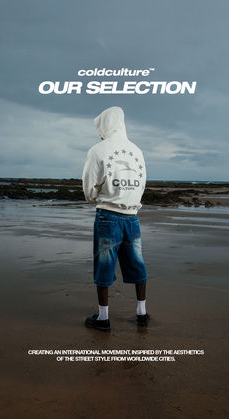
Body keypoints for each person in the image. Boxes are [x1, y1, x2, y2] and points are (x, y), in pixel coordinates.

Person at [82, 106, 148, 331]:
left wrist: (98, 199)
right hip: (132, 217)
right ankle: (142, 312)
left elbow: (88, 186)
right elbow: (142, 183)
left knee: (105, 264)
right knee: (137, 262)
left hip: (108, 217)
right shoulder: (137, 151)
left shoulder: (98, 150)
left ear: (105, 124)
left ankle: (103, 318)